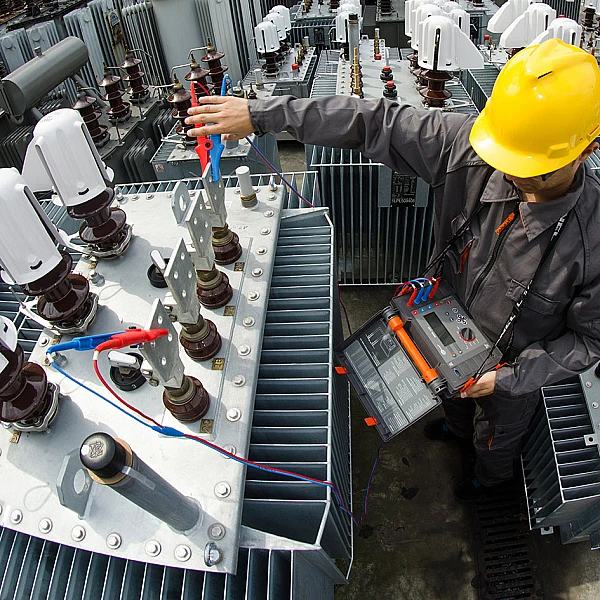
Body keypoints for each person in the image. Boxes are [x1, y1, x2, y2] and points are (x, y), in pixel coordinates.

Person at [186, 39, 600, 502]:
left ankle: (488, 483)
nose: (516, 178)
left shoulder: (592, 239)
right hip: (440, 329)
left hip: (509, 372)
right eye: (508, 162)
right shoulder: (470, 148)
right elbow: (371, 120)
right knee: (451, 401)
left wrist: (509, 379)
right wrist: (262, 114)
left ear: (586, 150)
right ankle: (456, 428)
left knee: (496, 437)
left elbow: (589, 341)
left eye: (534, 170)